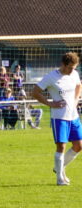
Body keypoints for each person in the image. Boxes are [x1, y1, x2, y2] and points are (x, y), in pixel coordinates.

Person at [30, 52, 82, 185]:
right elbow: (35, 92)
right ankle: (60, 179)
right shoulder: (51, 77)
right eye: (70, 67)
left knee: (78, 146)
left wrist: (76, 100)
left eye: (74, 68)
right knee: (61, 147)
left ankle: (58, 167)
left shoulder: (74, 74)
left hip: (74, 116)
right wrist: (50, 104)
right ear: (63, 64)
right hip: (59, 118)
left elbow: (78, 85)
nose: (72, 70)